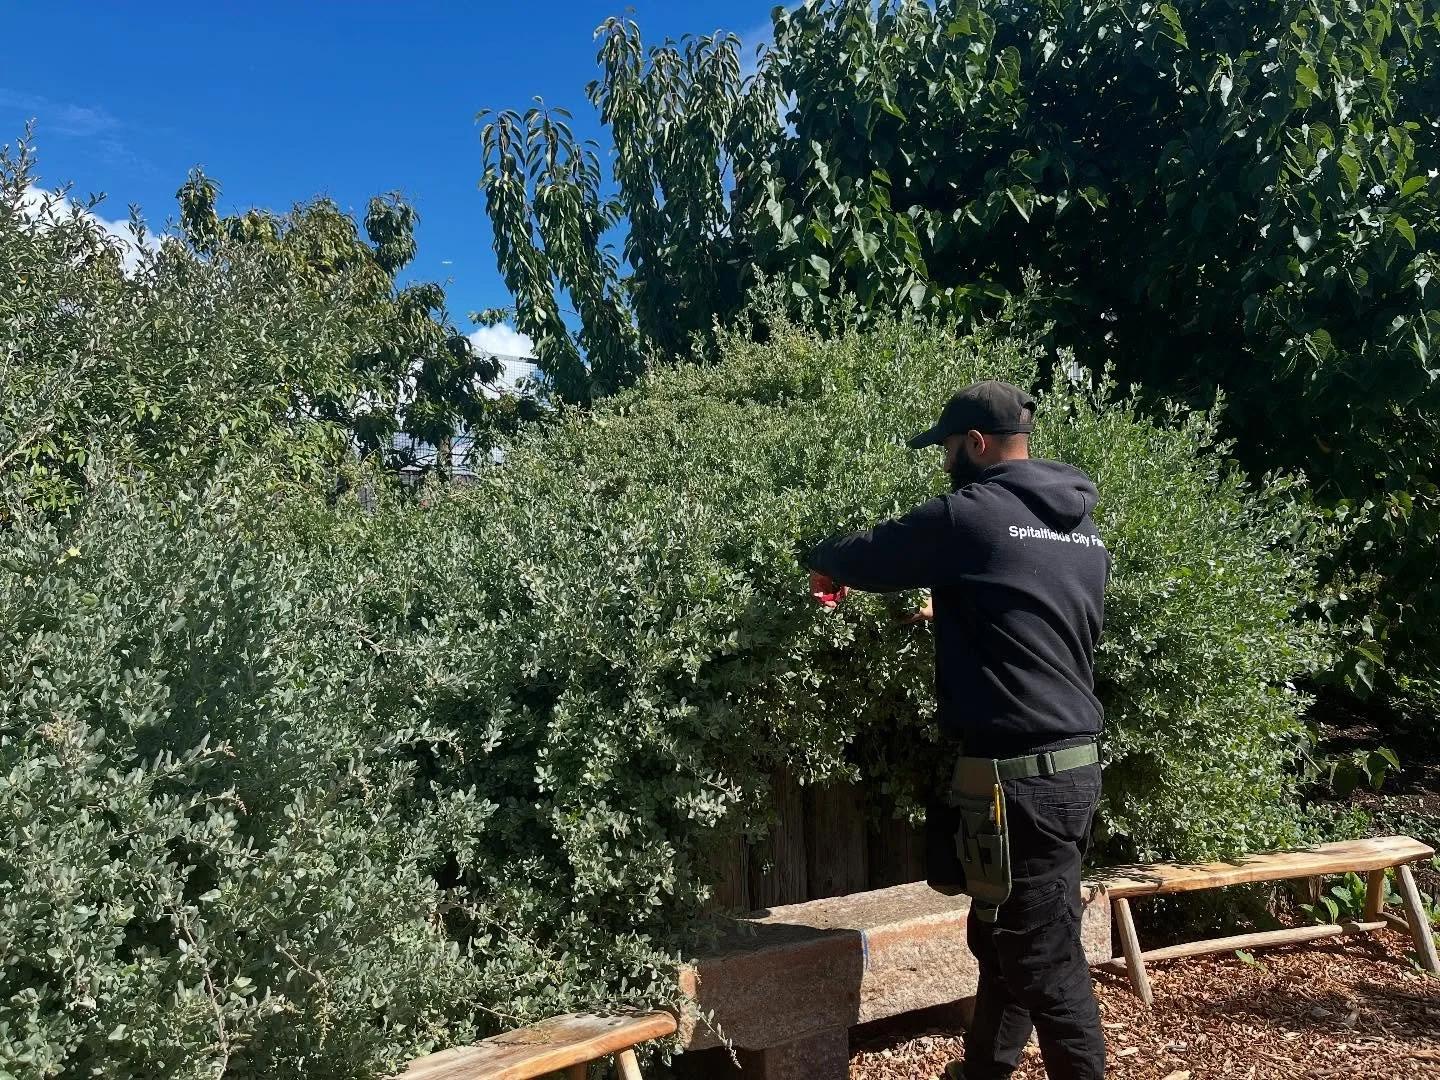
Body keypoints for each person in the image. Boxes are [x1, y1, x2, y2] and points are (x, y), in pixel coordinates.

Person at [803, 381, 1109, 1080]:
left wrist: (822, 559)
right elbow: (1045, 623)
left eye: (947, 448)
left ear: (975, 444)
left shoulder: (970, 515)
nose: (943, 462)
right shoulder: (1082, 532)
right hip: (1067, 770)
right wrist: (965, 617)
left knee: (1045, 965)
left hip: (1021, 782)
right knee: (1002, 940)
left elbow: (869, 553)